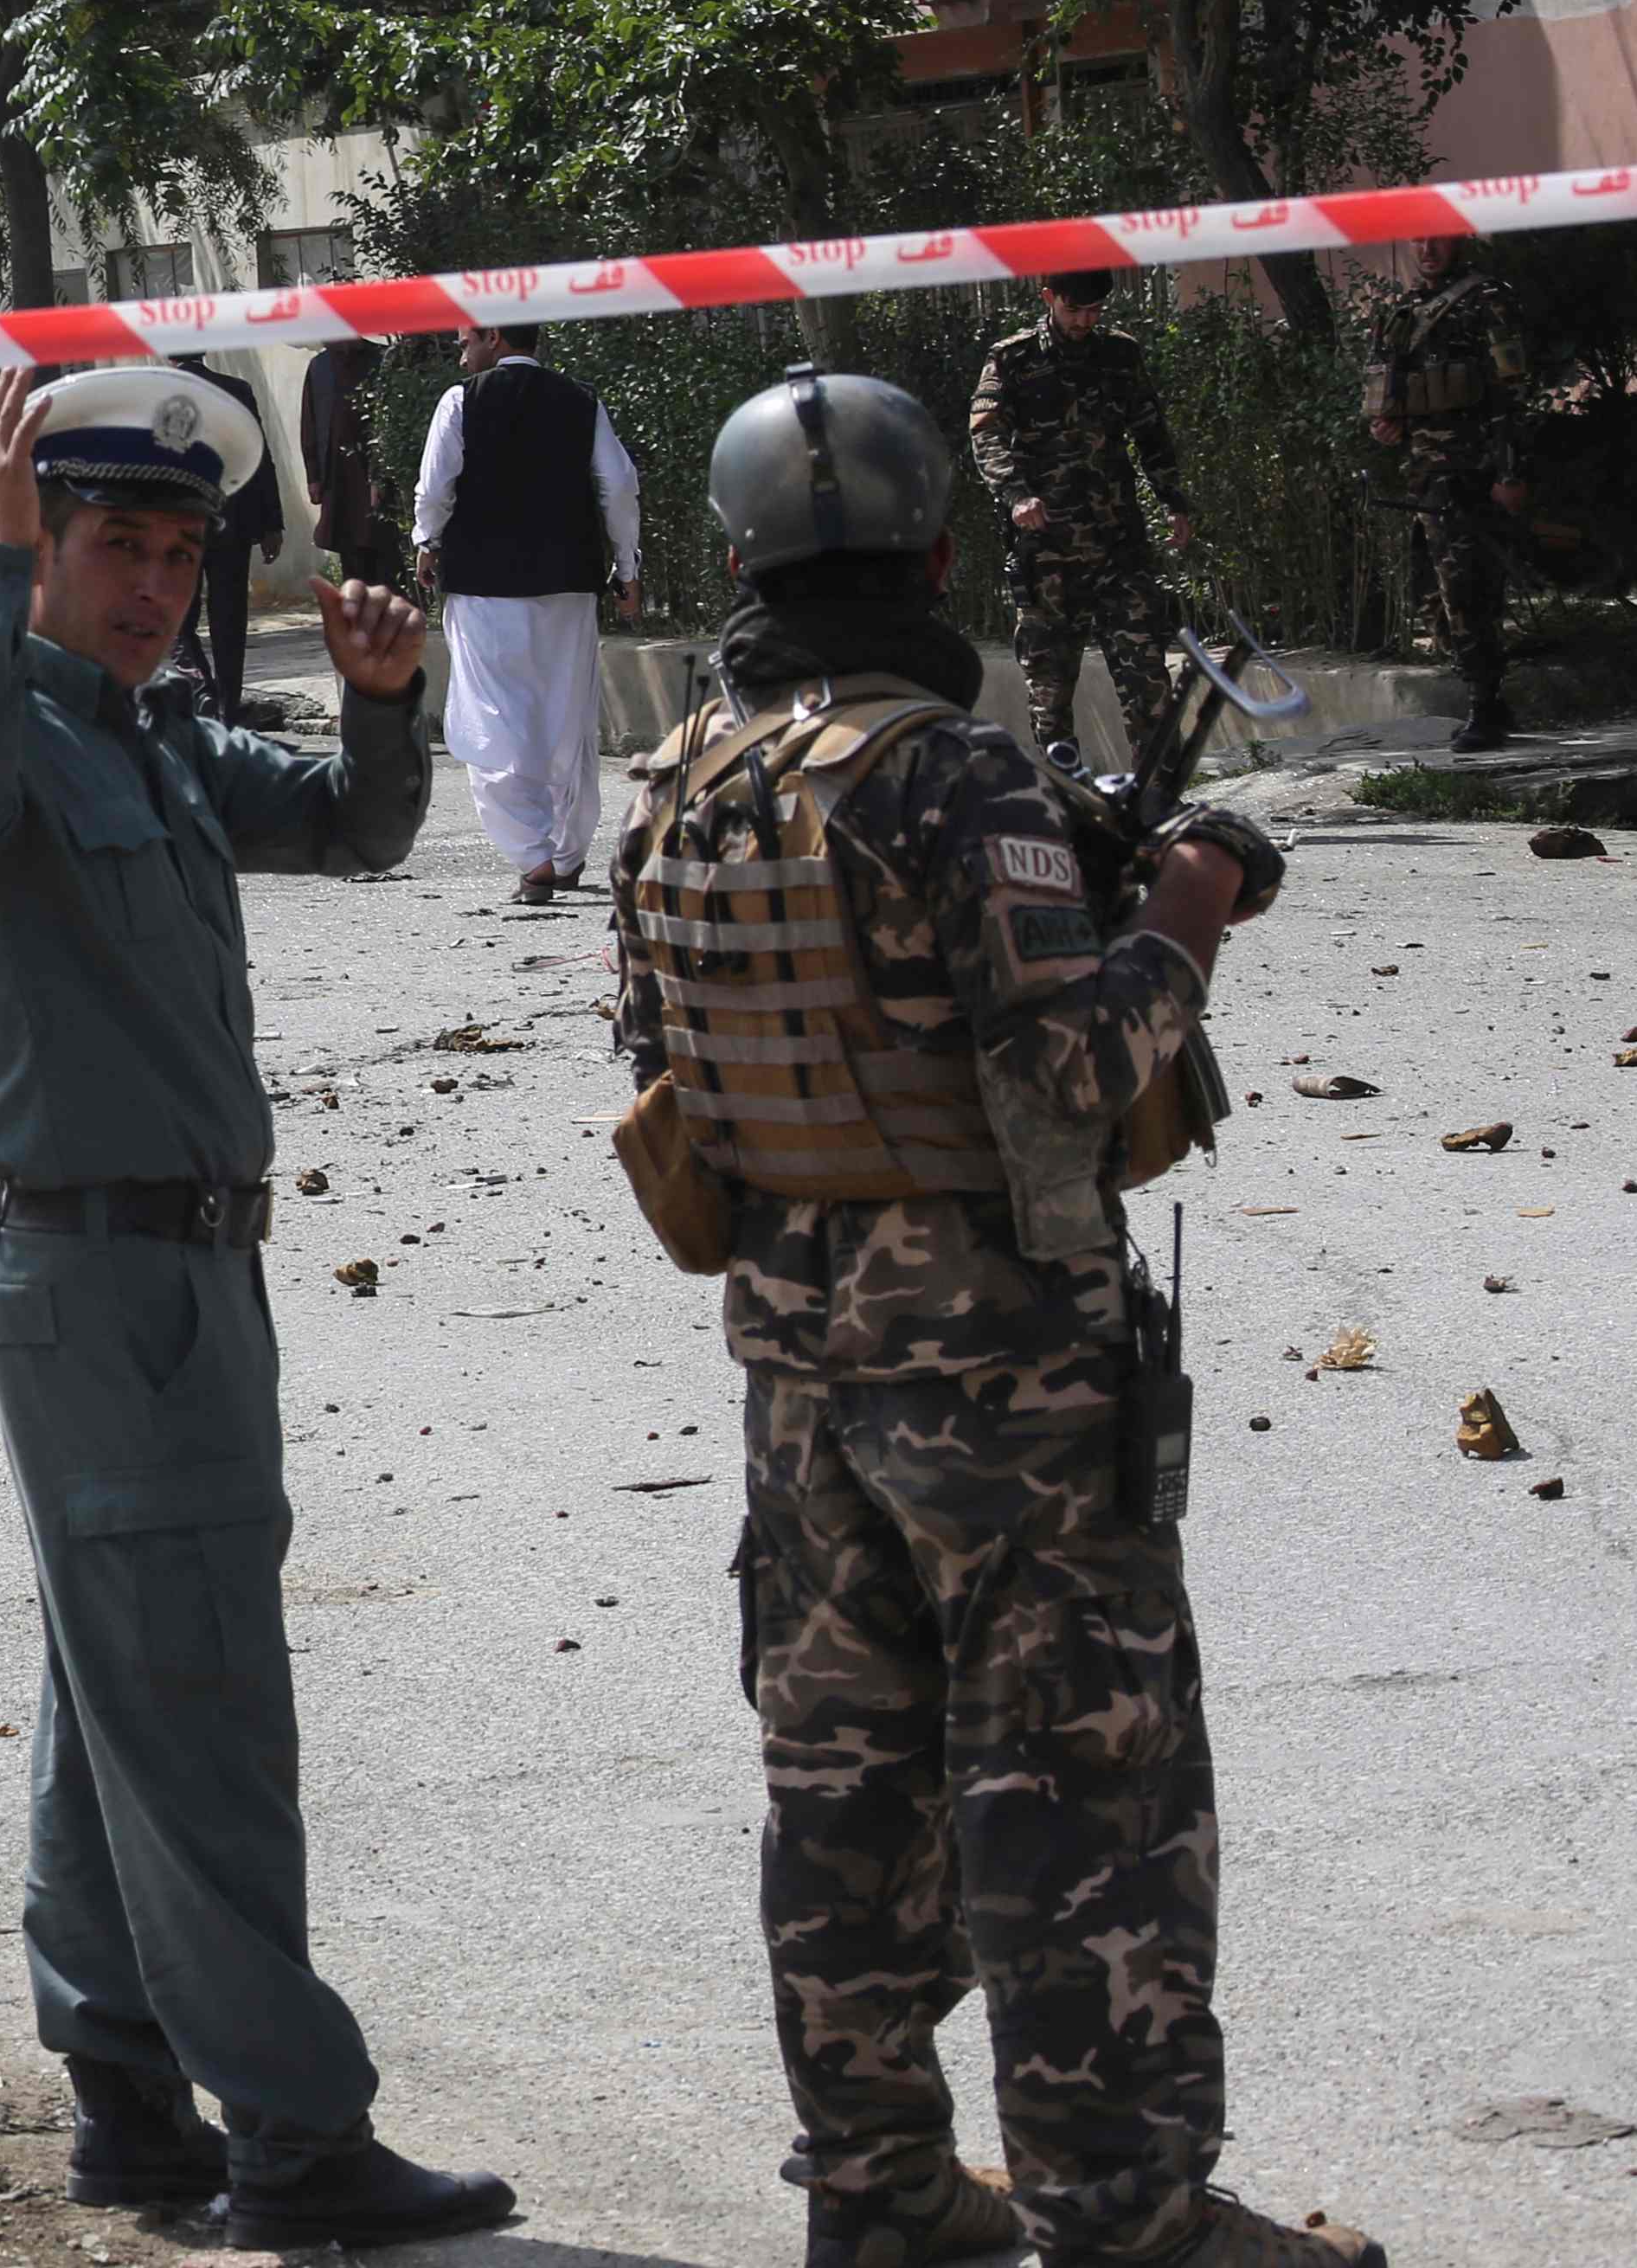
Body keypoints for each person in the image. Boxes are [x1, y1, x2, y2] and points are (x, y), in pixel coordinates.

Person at [607, 367, 1360, 2268]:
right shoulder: (952, 773)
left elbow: (662, 1066)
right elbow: (1061, 1068)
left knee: (842, 1784)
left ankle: (871, 2192)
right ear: (935, 548)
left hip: (791, 1366)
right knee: (1072, 1790)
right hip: (1001, 1375)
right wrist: (1177, 908)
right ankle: (1127, 2215)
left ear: (732, 558)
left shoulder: (677, 783)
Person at [0, 366, 512, 2251]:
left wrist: (385, 705)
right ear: (31, 546)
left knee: (116, 1702)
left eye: (170, 549)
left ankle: (127, 2099)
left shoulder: (140, 741)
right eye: (108, 544)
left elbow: (353, 830)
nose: (150, 581)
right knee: (204, 1706)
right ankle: (298, 2139)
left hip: (184, 1275)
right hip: (101, 1282)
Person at [413, 321, 640, 901]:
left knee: (493, 718)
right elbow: (617, 486)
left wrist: (426, 539)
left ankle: (531, 854)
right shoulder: (580, 399)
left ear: (492, 336)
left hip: (484, 583)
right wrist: (627, 567)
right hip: (568, 581)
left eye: (464, 338)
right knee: (566, 718)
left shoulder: (460, 401)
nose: (459, 349)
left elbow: (434, 486)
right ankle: (566, 853)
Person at [967, 268, 1197, 761]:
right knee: (1050, 689)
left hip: (1118, 542)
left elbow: (1150, 429)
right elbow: (985, 435)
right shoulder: (1012, 358)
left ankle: (1157, 797)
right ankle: (1067, 796)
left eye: (1094, 311)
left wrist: (1172, 499)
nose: (1084, 320)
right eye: (1074, 310)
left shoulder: (1119, 354)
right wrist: (1016, 495)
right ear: (1049, 298)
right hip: (1047, 547)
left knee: (1147, 677)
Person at [1364, 231, 1533, 752]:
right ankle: (1487, 695)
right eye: (1418, 241)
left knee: (1468, 591)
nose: (1427, 250)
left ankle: (1485, 703)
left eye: (1438, 240)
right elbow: (1384, 387)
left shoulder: (1487, 299)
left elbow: (1514, 390)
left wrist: (1509, 472)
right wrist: (1384, 427)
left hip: (1472, 471)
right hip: (1424, 476)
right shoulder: (1403, 309)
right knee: (1429, 592)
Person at [173, 357, 284, 723]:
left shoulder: (158, 392)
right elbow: (260, 459)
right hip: (231, 524)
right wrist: (272, 523)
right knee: (229, 621)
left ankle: (203, 691)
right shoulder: (236, 392)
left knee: (177, 620)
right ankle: (228, 707)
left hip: (178, 529)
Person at [298, 338, 408, 590]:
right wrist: (313, 476)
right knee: (351, 556)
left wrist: (380, 475)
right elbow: (310, 423)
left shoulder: (381, 359)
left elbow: (392, 421)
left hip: (375, 476)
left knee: (384, 555)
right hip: (337, 478)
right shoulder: (319, 367)